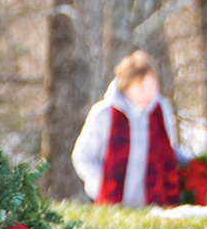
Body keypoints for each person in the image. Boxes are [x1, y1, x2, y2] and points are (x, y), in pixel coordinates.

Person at [71, 50, 189, 207]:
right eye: (141, 87)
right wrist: (102, 185)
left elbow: (169, 150)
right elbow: (83, 156)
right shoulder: (104, 113)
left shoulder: (162, 109)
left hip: (157, 206)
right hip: (113, 207)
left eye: (152, 86)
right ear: (126, 86)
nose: (149, 93)